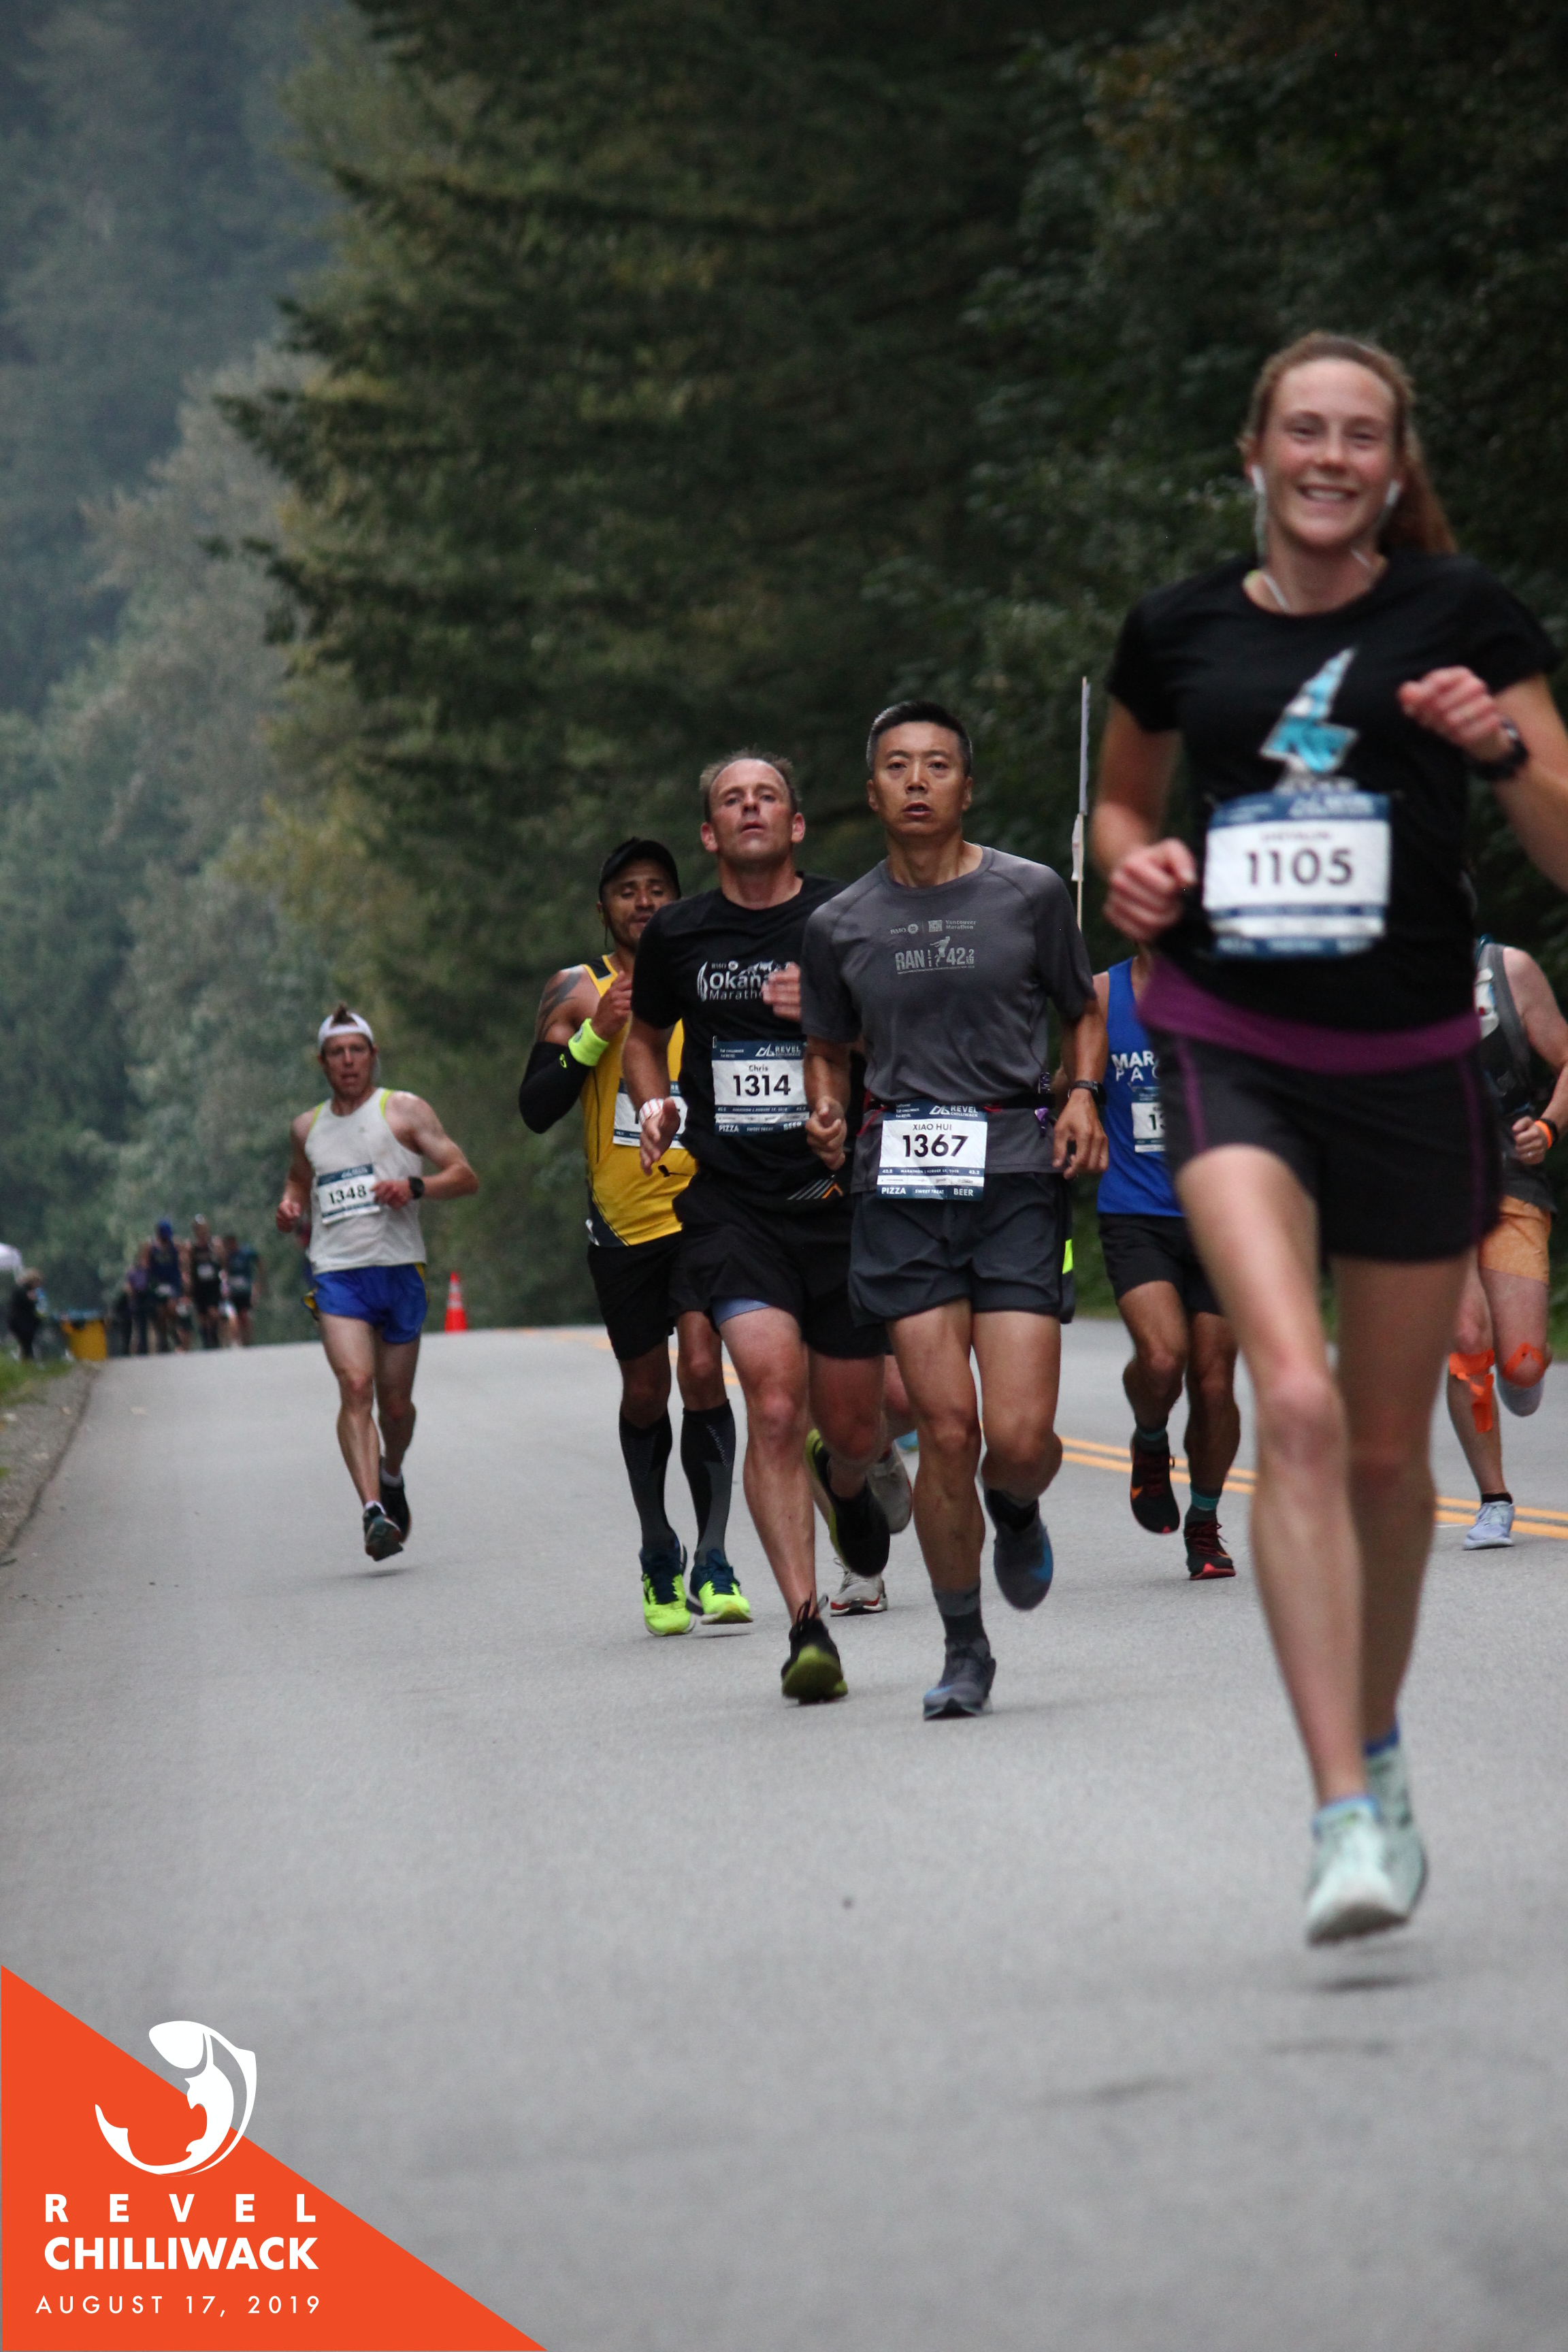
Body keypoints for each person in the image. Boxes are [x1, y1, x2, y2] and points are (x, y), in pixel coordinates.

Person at [1092, 329, 1568, 1943]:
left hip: (1415, 1062)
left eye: (1361, 434)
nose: (1330, 456)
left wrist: (1499, 748)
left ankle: (1379, 1741)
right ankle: (1342, 1808)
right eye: (1304, 428)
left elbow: (1564, 842)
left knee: (1379, 1452)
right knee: (1290, 1400)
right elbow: (1121, 804)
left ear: (1393, 462)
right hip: (1234, 1045)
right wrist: (1135, 869)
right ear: (1255, 449)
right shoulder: (1179, 629)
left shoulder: (1462, 614)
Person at [802, 700, 1106, 1719]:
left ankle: (1015, 1507)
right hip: (901, 1187)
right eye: (898, 766)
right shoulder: (839, 924)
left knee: (1016, 1439)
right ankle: (964, 1645)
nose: (918, 781)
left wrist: (1081, 1094)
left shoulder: (1030, 892)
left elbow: (1084, 1009)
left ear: (967, 787)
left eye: (938, 765)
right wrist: (826, 1108)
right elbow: (825, 1047)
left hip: (1015, 1177)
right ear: (873, 791)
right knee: (945, 1428)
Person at [623, 754, 896, 1703]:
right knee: (775, 1405)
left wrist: (834, 1026)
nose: (750, 808)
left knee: (852, 1426)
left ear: (797, 823)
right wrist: (654, 1105)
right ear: (709, 832)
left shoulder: (846, 914)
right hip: (733, 1208)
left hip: (840, 1198)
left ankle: (847, 1483)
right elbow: (643, 1040)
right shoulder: (679, 933)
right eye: (731, 800)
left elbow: (902, 1032)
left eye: (767, 795)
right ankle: (807, 1627)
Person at [519, 838, 749, 1633]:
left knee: (703, 1371)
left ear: (678, 901)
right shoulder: (576, 990)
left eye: (657, 888)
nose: (644, 901)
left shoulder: (710, 976)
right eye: (627, 890)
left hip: (705, 1210)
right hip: (623, 1227)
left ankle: (714, 1559)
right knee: (647, 1390)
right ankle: (658, 1549)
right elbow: (535, 1107)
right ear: (603, 909)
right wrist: (594, 1036)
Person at [277, 1006, 479, 1560]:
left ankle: (391, 1473)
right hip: (337, 1274)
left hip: (399, 1270)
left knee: (394, 1407)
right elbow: (298, 1179)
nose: (347, 1062)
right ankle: (372, 1512)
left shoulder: (404, 1111)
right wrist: (291, 1205)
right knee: (356, 1387)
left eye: (356, 1051)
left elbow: (465, 1176)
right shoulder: (307, 1128)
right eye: (336, 1053)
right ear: (323, 1063)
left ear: (372, 1056)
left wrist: (415, 1187)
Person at [1093, 944, 1241, 1578]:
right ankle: (1150, 1438)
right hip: (1136, 1211)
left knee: (1213, 1382)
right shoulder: (1103, 995)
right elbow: (1070, 1083)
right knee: (1162, 1358)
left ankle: (1204, 1523)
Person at [1447, 938, 1568, 1546]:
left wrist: (1548, 1127)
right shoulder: (1375, 977)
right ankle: (1494, 1499)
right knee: (1467, 1340)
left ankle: (1524, 1369)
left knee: (1519, 1367)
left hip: (1509, 1179)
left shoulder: (1505, 970)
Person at [146, 1220, 184, 1354]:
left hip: (172, 1283)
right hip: (158, 1285)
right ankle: (163, 1339)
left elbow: (182, 1261)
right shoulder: (152, 1248)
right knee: (161, 1313)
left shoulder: (175, 1246)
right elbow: (148, 1266)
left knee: (172, 1307)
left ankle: (174, 1330)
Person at [188, 1218, 225, 1352]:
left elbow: (223, 1262)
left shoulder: (215, 1244)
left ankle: (215, 1337)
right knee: (202, 1315)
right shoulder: (192, 1247)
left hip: (213, 1284)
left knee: (213, 1312)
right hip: (199, 1285)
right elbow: (189, 1266)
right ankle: (206, 1342)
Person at [223, 1235, 261, 1346]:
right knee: (234, 1318)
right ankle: (236, 1341)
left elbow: (259, 1261)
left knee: (245, 1316)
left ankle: (247, 1341)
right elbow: (224, 1271)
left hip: (245, 1290)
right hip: (233, 1291)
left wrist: (259, 1283)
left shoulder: (246, 1253)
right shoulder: (227, 1256)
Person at [7, 1269, 43, 1361]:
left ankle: (27, 1360)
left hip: (24, 1322)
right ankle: (28, 1361)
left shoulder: (23, 1290)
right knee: (26, 1344)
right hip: (22, 1323)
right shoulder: (23, 1291)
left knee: (27, 1344)